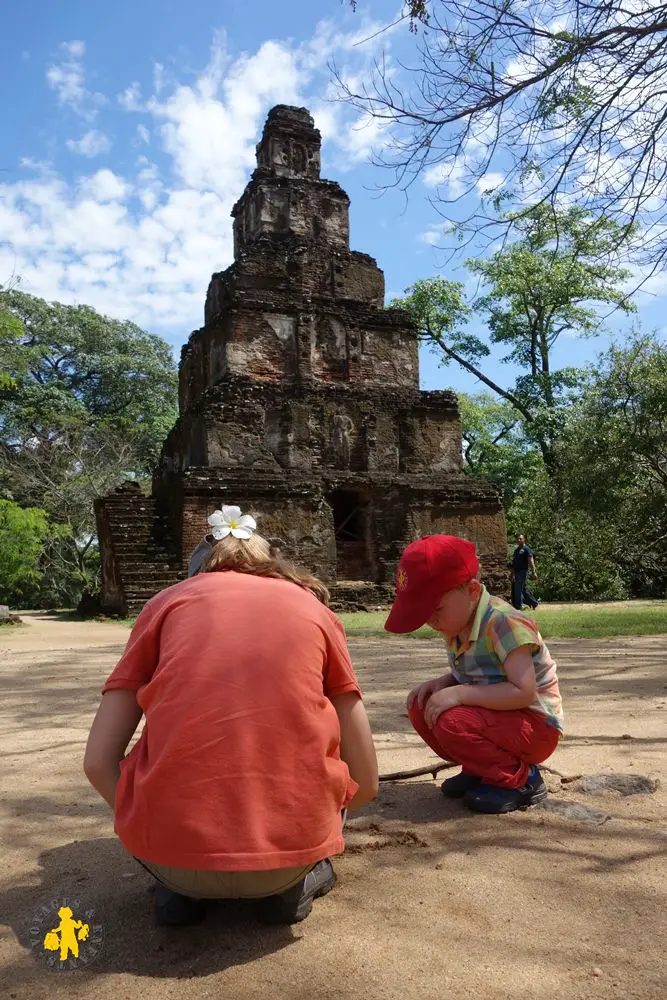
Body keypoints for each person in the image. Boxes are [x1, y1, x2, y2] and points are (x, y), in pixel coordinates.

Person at [84, 504, 378, 926]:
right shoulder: (315, 611)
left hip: (171, 857)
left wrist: (143, 823)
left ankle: (181, 887)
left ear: (199, 573)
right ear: (270, 564)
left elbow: (97, 762)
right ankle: (290, 884)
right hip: (289, 857)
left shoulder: (164, 605)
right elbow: (366, 782)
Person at [385, 535, 563, 815]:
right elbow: (481, 675)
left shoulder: (505, 623)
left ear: (470, 590)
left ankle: (519, 779)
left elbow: (523, 690)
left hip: (536, 726)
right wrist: (446, 682)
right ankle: (483, 768)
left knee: (453, 721)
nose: (430, 621)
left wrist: (459, 693)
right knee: (422, 703)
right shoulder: (457, 624)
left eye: (436, 610)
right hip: (502, 720)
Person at [511, 534, 539, 611]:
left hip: (523, 571)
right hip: (516, 572)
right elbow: (513, 562)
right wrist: (513, 573)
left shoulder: (527, 549)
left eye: (520, 539)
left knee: (518, 588)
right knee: (523, 590)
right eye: (517, 539)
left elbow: (531, 561)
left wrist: (534, 572)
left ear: (524, 540)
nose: (518, 540)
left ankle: (518, 606)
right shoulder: (516, 550)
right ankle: (534, 603)